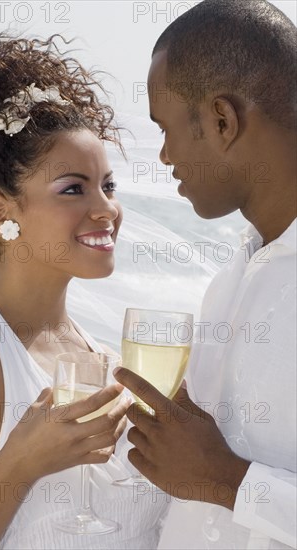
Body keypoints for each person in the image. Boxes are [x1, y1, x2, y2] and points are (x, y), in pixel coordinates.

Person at [0, 34, 169, 549]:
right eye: (73, 188)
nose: (106, 209)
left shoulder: (104, 361)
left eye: (108, 185)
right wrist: (21, 462)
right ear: (1, 213)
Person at [114, 0, 297, 548]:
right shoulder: (235, 275)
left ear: (223, 120)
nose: (165, 155)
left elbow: (214, 477)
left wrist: (227, 481)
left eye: (165, 129)